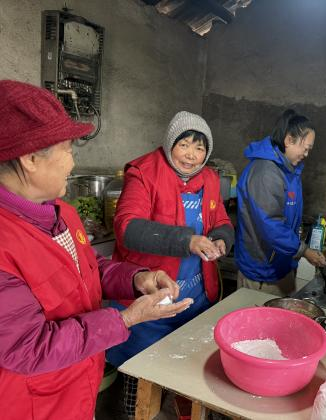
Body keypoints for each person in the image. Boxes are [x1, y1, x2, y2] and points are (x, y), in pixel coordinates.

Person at [0, 80, 191, 420]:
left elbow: (90, 269)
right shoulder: (5, 243)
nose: (72, 164)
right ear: (30, 158)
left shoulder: (61, 212)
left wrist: (137, 278)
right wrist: (126, 318)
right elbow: (28, 347)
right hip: (34, 406)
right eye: (69, 149)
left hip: (77, 389)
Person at [108, 110, 234, 416]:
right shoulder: (144, 173)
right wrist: (186, 241)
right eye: (184, 145)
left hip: (194, 297)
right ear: (169, 143)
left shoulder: (210, 179)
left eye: (200, 147)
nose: (191, 155)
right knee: (142, 379)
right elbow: (127, 227)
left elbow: (221, 220)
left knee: (185, 376)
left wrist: (221, 239)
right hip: (150, 300)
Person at [235, 109, 326, 297]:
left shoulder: (288, 170)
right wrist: (303, 250)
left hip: (280, 265)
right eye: (306, 147)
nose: (307, 154)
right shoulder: (265, 173)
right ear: (288, 140)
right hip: (262, 273)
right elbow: (271, 225)